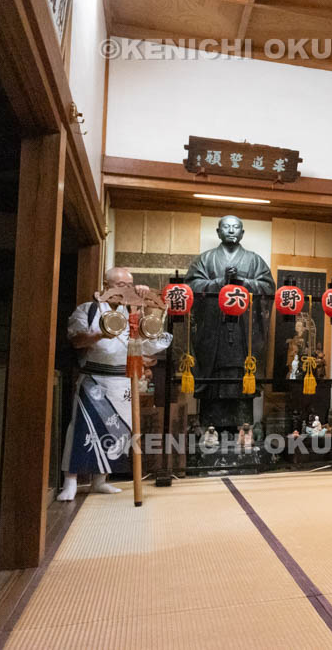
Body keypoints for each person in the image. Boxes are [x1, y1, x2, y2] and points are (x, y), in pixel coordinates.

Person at [57, 267, 172, 501]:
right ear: (106, 284)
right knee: (82, 429)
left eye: (129, 286)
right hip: (95, 380)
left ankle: (101, 480)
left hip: (124, 379)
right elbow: (76, 340)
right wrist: (100, 334)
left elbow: (149, 345)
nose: (125, 290)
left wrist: (145, 306)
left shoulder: (133, 311)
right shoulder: (89, 310)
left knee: (118, 431)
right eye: (120, 285)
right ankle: (71, 481)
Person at [185, 215, 275, 432]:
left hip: (244, 333)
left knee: (241, 376)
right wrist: (219, 283)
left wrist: (243, 282)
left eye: (236, 228)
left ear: (242, 233)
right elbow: (192, 287)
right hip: (213, 332)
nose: (232, 231)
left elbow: (268, 288)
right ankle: (210, 430)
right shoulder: (204, 260)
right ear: (218, 232)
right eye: (227, 227)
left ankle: (243, 430)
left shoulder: (254, 261)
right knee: (214, 380)